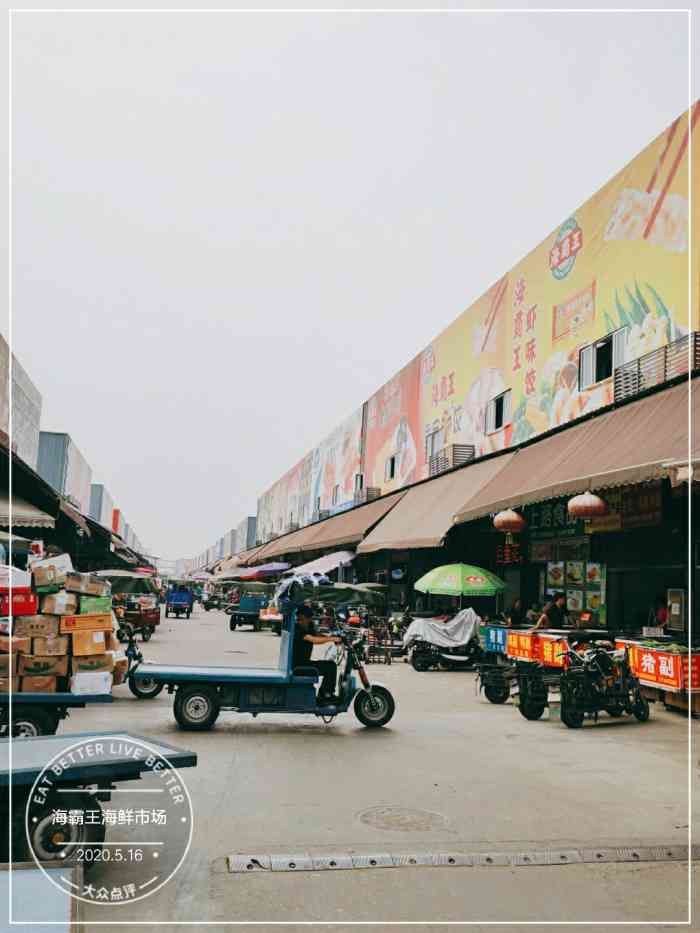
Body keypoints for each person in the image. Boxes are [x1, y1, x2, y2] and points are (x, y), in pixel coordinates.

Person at [293, 605, 343, 703]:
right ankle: (326, 695)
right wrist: (332, 639)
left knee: (330, 664)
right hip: (299, 666)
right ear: (302, 617)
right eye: (307, 618)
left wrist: (332, 636)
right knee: (330, 667)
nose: (309, 621)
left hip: (305, 664)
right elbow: (313, 639)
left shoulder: (307, 626)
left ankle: (324, 693)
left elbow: (316, 635)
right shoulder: (297, 629)